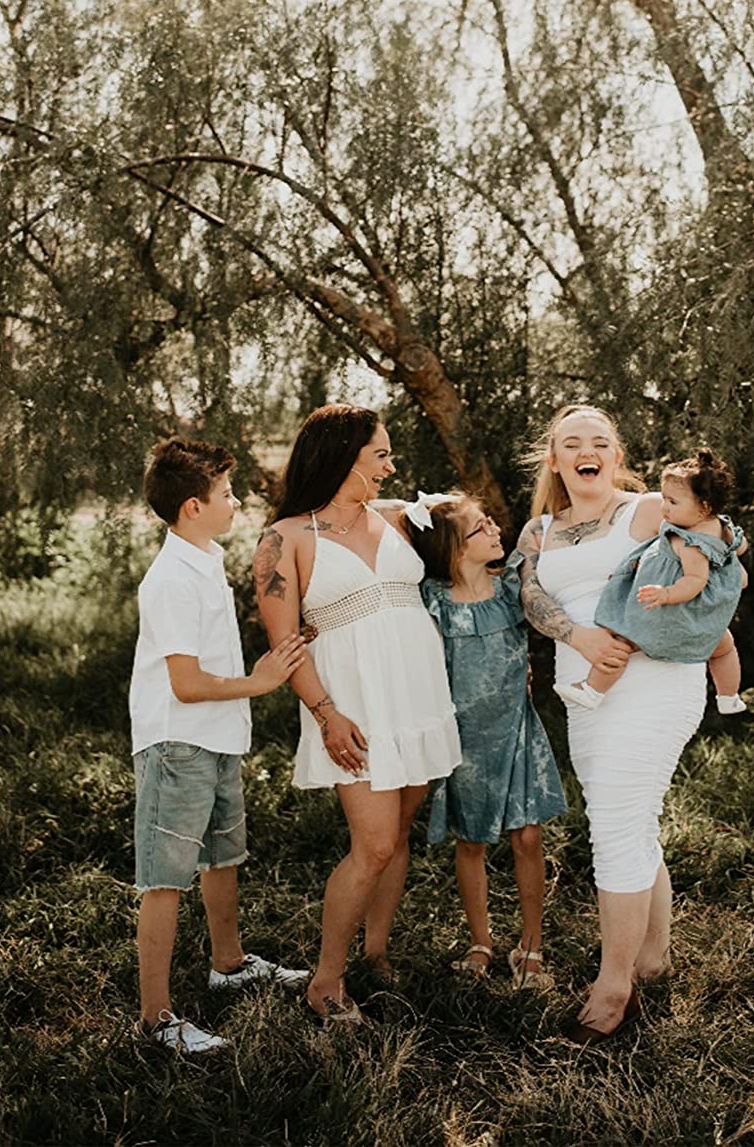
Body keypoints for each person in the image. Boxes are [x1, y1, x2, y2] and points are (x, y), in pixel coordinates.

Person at [253, 405, 461, 1025]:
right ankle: (326, 980)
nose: (391, 466)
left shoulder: (396, 517)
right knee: (372, 844)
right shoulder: (284, 539)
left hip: (417, 695)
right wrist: (325, 714)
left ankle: (375, 953)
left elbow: (473, 531)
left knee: (398, 832)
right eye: (381, 455)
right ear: (342, 457)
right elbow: (285, 644)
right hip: (354, 705)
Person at [515, 405, 709, 1043]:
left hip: (654, 680)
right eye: (572, 443)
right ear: (555, 460)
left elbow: (717, 553)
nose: (586, 452)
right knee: (631, 817)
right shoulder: (539, 531)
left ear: (616, 457)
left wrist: (660, 622)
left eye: (599, 442)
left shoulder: (648, 510)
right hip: (585, 691)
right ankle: (652, 958)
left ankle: (613, 985)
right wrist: (581, 637)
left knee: (614, 827)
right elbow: (531, 599)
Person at [131, 438, 312, 1054]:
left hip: (217, 739)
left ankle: (228, 964)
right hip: (177, 744)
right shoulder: (170, 580)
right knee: (166, 879)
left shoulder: (204, 560)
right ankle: (156, 1018)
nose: (236, 503)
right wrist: (259, 683)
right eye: (226, 494)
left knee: (222, 856)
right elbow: (184, 683)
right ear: (192, 507)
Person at [408, 493, 567, 990]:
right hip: (464, 741)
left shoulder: (512, 587)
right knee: (472, 840)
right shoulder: (430, 600)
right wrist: (426, 509)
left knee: (529, 837)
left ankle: (532, 946)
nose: (496, 529)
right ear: (454, 548)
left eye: (491, 522)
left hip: (516, 728)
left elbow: (555, 538)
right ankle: (481, 942)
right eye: (481, 527)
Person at [557, 450, 749, 715]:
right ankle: (728, 696)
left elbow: (695, 580)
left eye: (673, 502)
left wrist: (666, 594)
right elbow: (740, 546)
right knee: (724, 648)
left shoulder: (690, 542)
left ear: (704, 507)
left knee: (623, 640)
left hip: (675, 611)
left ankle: (593, 690)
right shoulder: (721, 527)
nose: (664, 507)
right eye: (664, 498)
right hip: (703, 617)